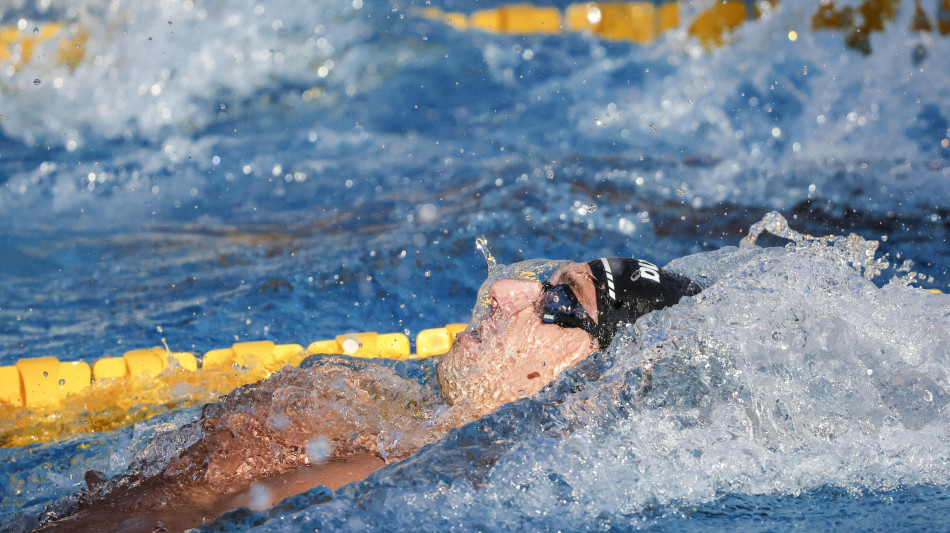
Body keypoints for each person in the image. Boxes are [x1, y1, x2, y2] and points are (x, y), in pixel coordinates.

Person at [37, 257, 698, 533]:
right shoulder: (394, 412)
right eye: (544, 279)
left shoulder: (413, 483)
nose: (505, 292)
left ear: (592, 385)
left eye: (559, 301)